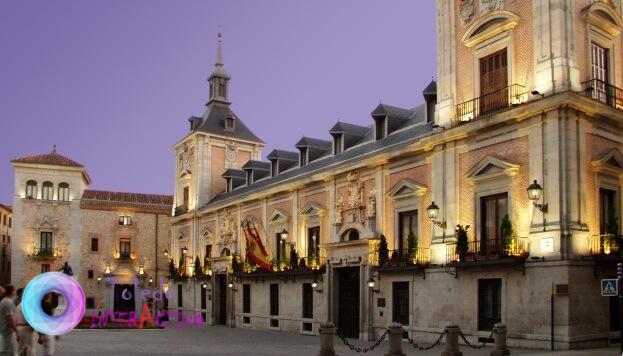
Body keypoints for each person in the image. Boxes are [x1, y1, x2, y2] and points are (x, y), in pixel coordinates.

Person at [0, 285, 20, 356]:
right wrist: (17, 331)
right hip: (8, 333)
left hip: (7, 332)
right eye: (14, 290)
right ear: (12, 291)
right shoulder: (8, 302)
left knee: (10, 352)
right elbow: (10, 318)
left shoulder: (5, 301)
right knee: (9, 352)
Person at [15, 289, 34, 356]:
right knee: (29, 347)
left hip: (18, 327)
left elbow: (15, 319)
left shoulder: (18, 306)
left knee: (20, 348)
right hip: (27, 328)